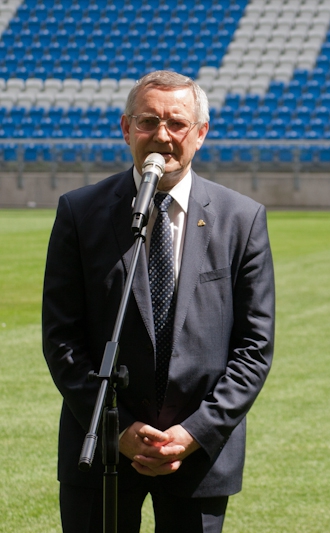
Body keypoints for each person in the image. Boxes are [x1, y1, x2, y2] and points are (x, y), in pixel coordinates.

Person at [42, 70, 275, 532]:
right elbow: (62, 339)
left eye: (177, 124)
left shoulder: (242, 219)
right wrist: (121, 432)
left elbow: (254, 348)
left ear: (201, 133)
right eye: (148, 122)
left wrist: (193, 434)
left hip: (199, 454)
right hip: (101, 450)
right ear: (126, 127)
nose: (162, 137)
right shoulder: (79, 212)